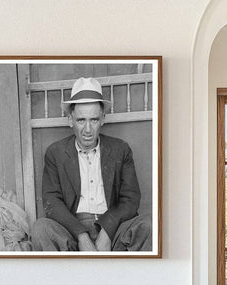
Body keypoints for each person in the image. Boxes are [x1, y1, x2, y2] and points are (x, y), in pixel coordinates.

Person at [32, 77, 152, 252]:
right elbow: (52, 202)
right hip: (71, 231)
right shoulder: (55, 153)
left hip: (114, 226)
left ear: (102, 119)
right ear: (70, 120)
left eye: (94, 120)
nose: (87, 130)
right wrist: (81, 235)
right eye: (81, 120)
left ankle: (127, 278)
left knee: (150, 225)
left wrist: (107, 232)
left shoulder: (121, 149)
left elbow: (130, 199)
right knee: (40, 229)